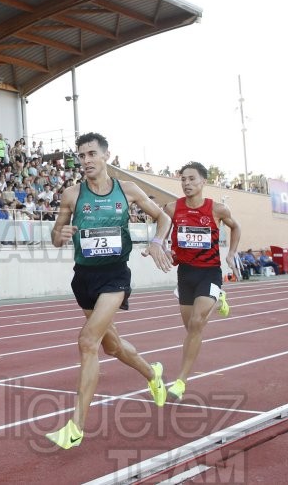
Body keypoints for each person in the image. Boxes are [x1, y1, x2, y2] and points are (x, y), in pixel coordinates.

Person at [45, 132, 172, 450]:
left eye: (91, 154)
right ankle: (152, 373)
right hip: (84, 279)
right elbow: (55, 237)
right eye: (81, 155)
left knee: (88, 341)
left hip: (115, 276)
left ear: (105, 156)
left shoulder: (127, 191)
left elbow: (163, 217)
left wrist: (157, 241)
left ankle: (76, 427)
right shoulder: (72, 195)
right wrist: (60, 233)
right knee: (111, 346)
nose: (85, 160)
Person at [161, 162, 241, 401]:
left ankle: (181, 381)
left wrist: (231, 253)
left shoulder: (217, 209)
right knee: (190, 329)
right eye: (183, 179)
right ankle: (219, 299)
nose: (187, 183)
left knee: (197, 323)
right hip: (185, 274)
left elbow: (236, 227)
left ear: (203, 181)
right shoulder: (172, 208)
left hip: (209, 272)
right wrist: (160, 245)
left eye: (192, 179)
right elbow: (161, 230)